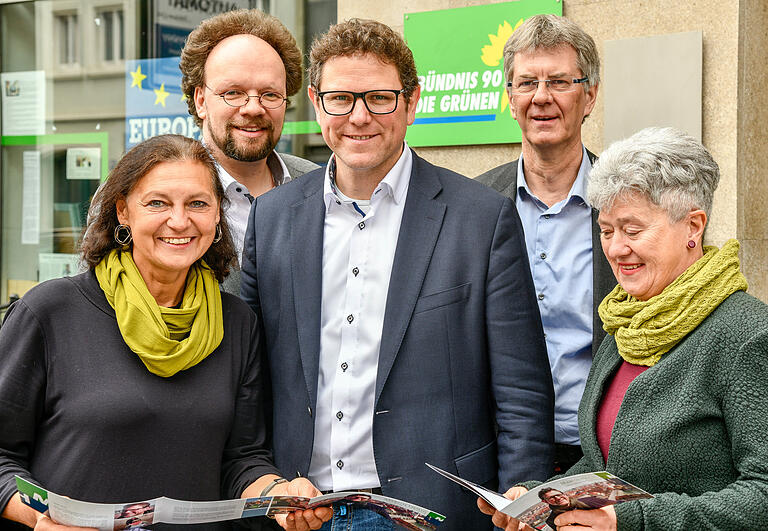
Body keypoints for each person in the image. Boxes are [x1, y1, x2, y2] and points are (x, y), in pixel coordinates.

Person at [240, 18, 554, 531]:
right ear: (317, 103)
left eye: (380, 98)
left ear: (412, 102)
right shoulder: (273, 216)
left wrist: (522, 501)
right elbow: (248, 382)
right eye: (341, 98)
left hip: (430, 513)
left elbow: (520, 388)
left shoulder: (480, 217)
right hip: (300, 509)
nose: (359, 117)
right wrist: (263, 481)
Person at [0, 135, 330, 531]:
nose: (179, 220)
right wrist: (42, 519)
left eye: (198, 203)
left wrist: (278, 496)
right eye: (157, 202)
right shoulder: (49, 312)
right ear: (123, 211)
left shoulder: (237, 323)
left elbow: (242, 458)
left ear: (217, 216)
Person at [478, 127, 768, 530]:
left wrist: (632, 521)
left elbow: (762, 494)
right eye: (606, 230)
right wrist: (543, 497)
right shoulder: (624, 324)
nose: (615, 249)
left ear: (693, 227)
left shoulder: (746, 335)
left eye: (632, 230)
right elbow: (607, 465)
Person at [475, 14, 614, 473]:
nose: (541, 98)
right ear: (509, 97)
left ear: (590, 94)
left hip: (599, 455)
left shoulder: (626, 206)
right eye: (526, 83)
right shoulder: (470, 207)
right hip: (495, 457)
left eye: (559, 81)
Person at [180, 8, 319, 292]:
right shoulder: (143, 192)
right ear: (201, 100)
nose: (254, 107)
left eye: (270, 94)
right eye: (233, 92)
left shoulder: (320, 185)